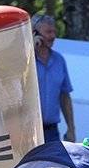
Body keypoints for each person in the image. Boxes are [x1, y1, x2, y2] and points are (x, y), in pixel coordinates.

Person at [32, 13, 76, 143]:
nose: (53, 36)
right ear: (35, 33)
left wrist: (71, 128)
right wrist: (30, 49)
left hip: (51, 131)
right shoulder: (26, 61)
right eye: (48, 32)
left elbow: (65, 96)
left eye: (54, 32)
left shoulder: (59, 60)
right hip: (29, 131)